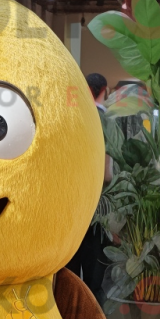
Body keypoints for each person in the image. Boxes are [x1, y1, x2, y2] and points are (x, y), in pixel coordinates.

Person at [66, 73, 113, 300]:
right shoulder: (106, 122)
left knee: (69, 276)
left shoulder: (71, 118)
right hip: (98, 210)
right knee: (96, 281)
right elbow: (107, 174)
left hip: (72, 208)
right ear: (104, 90)